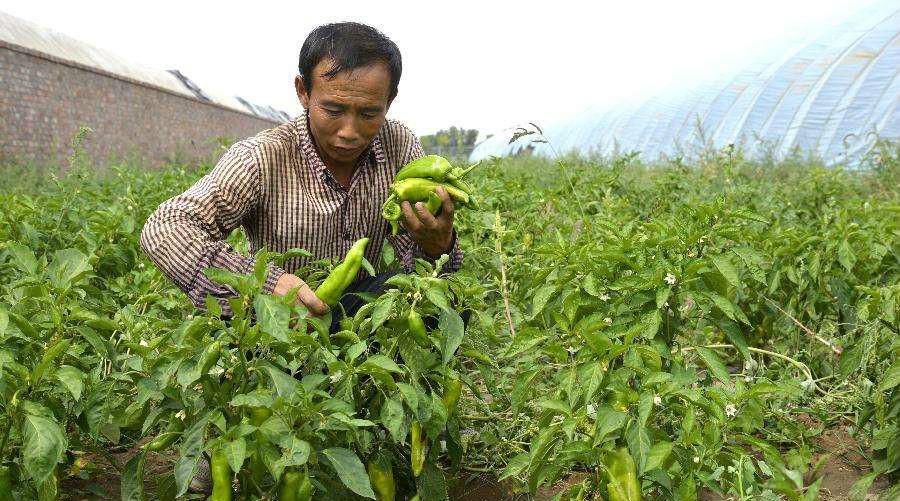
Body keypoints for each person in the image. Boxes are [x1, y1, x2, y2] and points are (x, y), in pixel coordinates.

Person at [138, 22, 463, 492]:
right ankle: (230, 443)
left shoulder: (400, 148)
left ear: (390, 101)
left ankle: (392, 426)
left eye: (369, 113)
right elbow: (165, 227)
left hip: (360, 314)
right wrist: (270, 285)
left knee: (442, 307)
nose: (350, 131)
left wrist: (438, 244)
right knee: (251, 430)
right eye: (333, 109)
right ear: (303, 92)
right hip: (280, 327)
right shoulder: (262, 158)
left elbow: (425, 263)